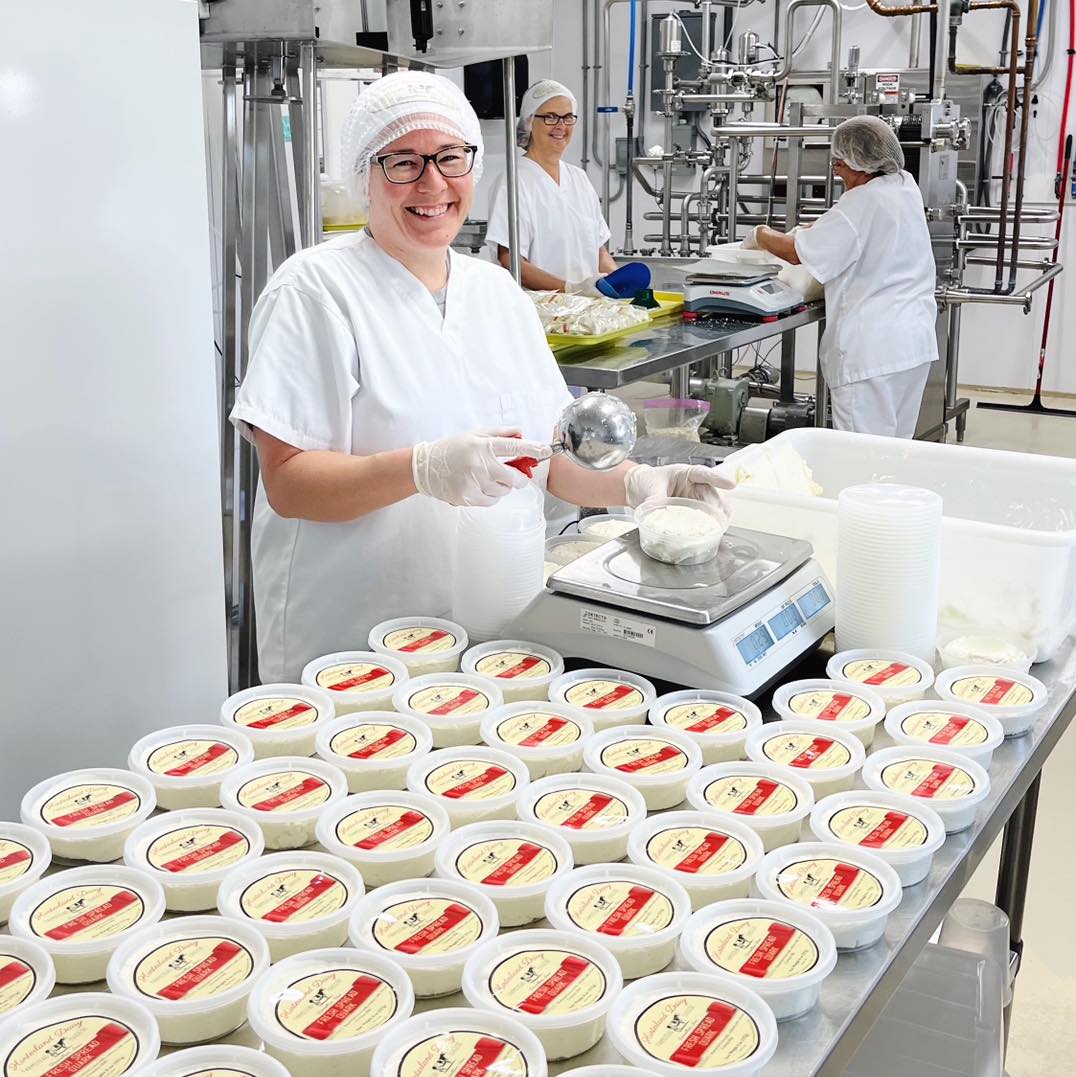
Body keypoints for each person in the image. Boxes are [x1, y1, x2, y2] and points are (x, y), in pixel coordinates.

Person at [230, 71, 732, 682]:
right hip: (357, 649)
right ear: (365, 175)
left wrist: (641, 484)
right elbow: (289, 483)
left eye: (450, 158)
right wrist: (421, 469)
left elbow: (551, 459)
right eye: (403, 162)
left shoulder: (497, 294)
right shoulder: (314, 290)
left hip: (497, 644)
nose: (433, 183)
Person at [744, 116, 939, 438]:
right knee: (897, 449)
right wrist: (816, 229)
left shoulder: (862, 199)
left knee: (862, 455)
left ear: (861, 163)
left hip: (871, 350)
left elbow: (795, 253)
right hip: (912, 344)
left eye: (840, 162)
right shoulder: (903, 186)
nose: (836, 170)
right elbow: (856, 229)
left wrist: (760, 233)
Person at [486, 79, 616, 295]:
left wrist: (619, 282)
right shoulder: (513, 181)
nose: (561, 126)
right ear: (529, 122)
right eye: (550, 117)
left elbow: (599, 251)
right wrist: (569, 288)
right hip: (542, 313)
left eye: (567, 117)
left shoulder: (579, 178)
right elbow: (510, 259)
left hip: (590, 312)